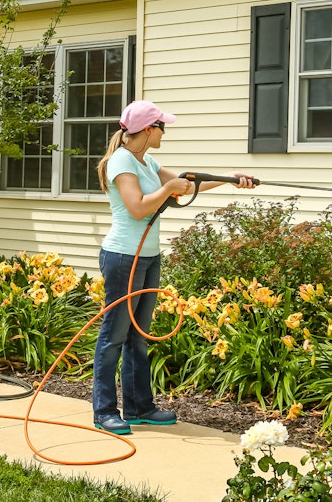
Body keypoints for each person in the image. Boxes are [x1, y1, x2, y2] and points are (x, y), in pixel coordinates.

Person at [93, 100, 256, 435]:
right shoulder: (122, 161)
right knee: (114, 336)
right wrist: (168, 188)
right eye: (162, 126)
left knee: (139, 338)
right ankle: (105, 411)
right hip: (124, 258)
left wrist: (230, 179)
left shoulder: (145, 160)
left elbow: (185, 184)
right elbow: (137, 208)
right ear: (149, 128)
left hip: (148, 257)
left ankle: (139, 408)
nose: (165, 132)